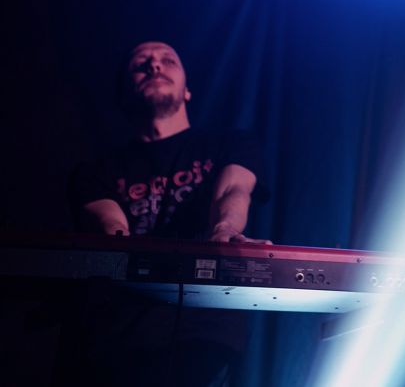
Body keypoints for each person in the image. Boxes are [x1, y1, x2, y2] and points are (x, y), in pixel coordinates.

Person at [65, 40, 270, 387]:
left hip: (204, 336)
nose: (154, 66)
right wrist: (118, 243)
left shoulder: (230, 145)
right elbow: (109, 224)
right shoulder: (95, 171)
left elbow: (233, 191)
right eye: (141, 63)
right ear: (124, 96)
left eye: (167, 60)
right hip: (119, 338)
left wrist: (224, 229)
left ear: (187, 90)